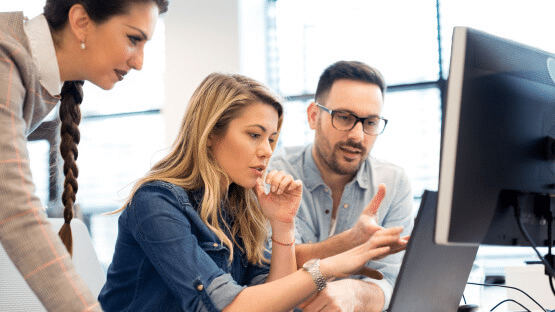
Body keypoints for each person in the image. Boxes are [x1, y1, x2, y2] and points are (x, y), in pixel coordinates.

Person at [98, 72, 405, 312]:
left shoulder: (238, 207)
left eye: (271, 139)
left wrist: (282, 224)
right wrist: (328, 267)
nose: (266, 151)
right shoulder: (156, 203)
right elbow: (228, 306)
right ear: (210, 134)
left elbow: (274, 301)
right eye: (254, 135)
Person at [0, 0, 168, 311]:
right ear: (80, 21)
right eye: (133, 39)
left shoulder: (37, 76)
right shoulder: (4, 59)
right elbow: (14, 209)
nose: (140, 62)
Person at [267, 60, 414, 311]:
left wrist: (358, 293)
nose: (358, 136)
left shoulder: (393, 182)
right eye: (344, 117)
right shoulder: (275, 174)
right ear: (314, 116)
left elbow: (395, 281)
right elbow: (271, 267)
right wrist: (352, 242)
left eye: (370, 123)